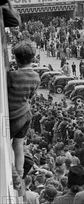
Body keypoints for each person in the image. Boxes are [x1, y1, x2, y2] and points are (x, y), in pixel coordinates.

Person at [8, 40, 41, 182]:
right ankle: (19, 175)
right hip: (25, 114)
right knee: (18, 145)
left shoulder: (11, 76)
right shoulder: (36, 77)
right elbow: (31, 95)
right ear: (33, 58)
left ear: (16, 58)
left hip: (12, 115)